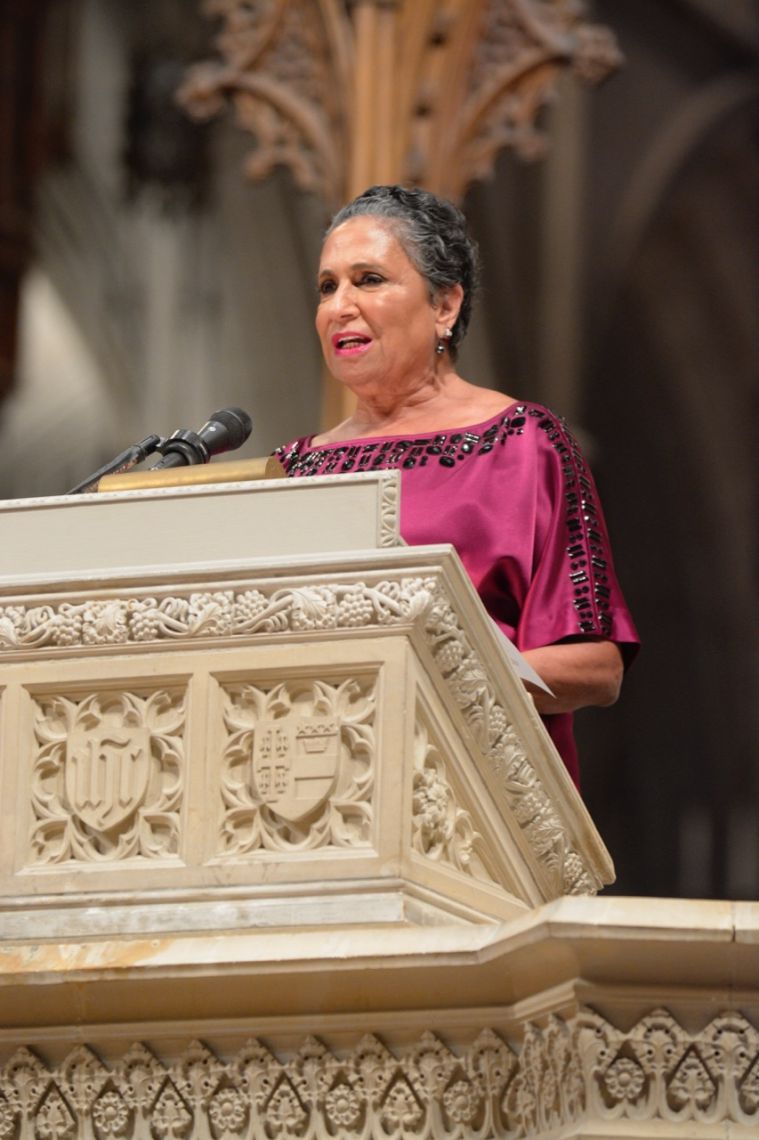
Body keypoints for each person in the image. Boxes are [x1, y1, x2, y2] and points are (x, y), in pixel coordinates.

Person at [274, 185, 639, 784]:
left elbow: (598, 667)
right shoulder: (294, 470)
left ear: (444, 304)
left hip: (476, 791)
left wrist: (432, 675)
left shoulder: (522, 444)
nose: (339, 306)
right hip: (317, 784)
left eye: (368, 280)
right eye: (327, 286)